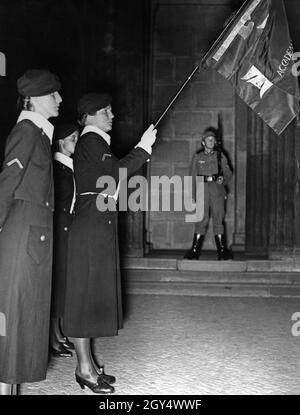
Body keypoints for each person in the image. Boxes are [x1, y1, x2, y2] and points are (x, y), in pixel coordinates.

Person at [63, 92, 157, 394]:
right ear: (89, 116)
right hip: (90, 227)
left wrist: (142, 149)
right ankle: (83, 369)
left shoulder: (96, 142)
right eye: (105, 111)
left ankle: (88, 366)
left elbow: (113, 179)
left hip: (96, 225)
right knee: (82, 300)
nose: (111, 116)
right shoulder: (91, 141)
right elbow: (118, 173)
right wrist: (143, 147)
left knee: (90, 298)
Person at [0, 69, 62, 394]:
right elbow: (7, 184)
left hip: (34, 237)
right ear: (36, 98)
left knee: (25, 317)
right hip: (22, 236)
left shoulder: (40, 133)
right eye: (54, 94)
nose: (60, 100)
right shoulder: (26, 131)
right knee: (13, 317)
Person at [49, 123, 79, 358]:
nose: (75, 142)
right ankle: (52, 337)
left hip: (67, 231)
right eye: (72, 138)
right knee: (56, 285)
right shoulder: (58, 168)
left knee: (62, 284)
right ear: (61, 142)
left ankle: (58, 333)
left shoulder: (68, 167)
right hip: (58, 232)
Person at [184, 128, 232, 260]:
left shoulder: (220, 156)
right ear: (203, 142)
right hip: (202, 190)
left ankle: (222, 251)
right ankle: (194, 251)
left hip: (217, 190)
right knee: (201, 220)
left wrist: (224, 179)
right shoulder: (198, 157)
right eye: (208, 140)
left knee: (218, 219)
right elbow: (192, 176)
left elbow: (228, 172)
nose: (211, 142)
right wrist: (193, 195)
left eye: (213, 140)